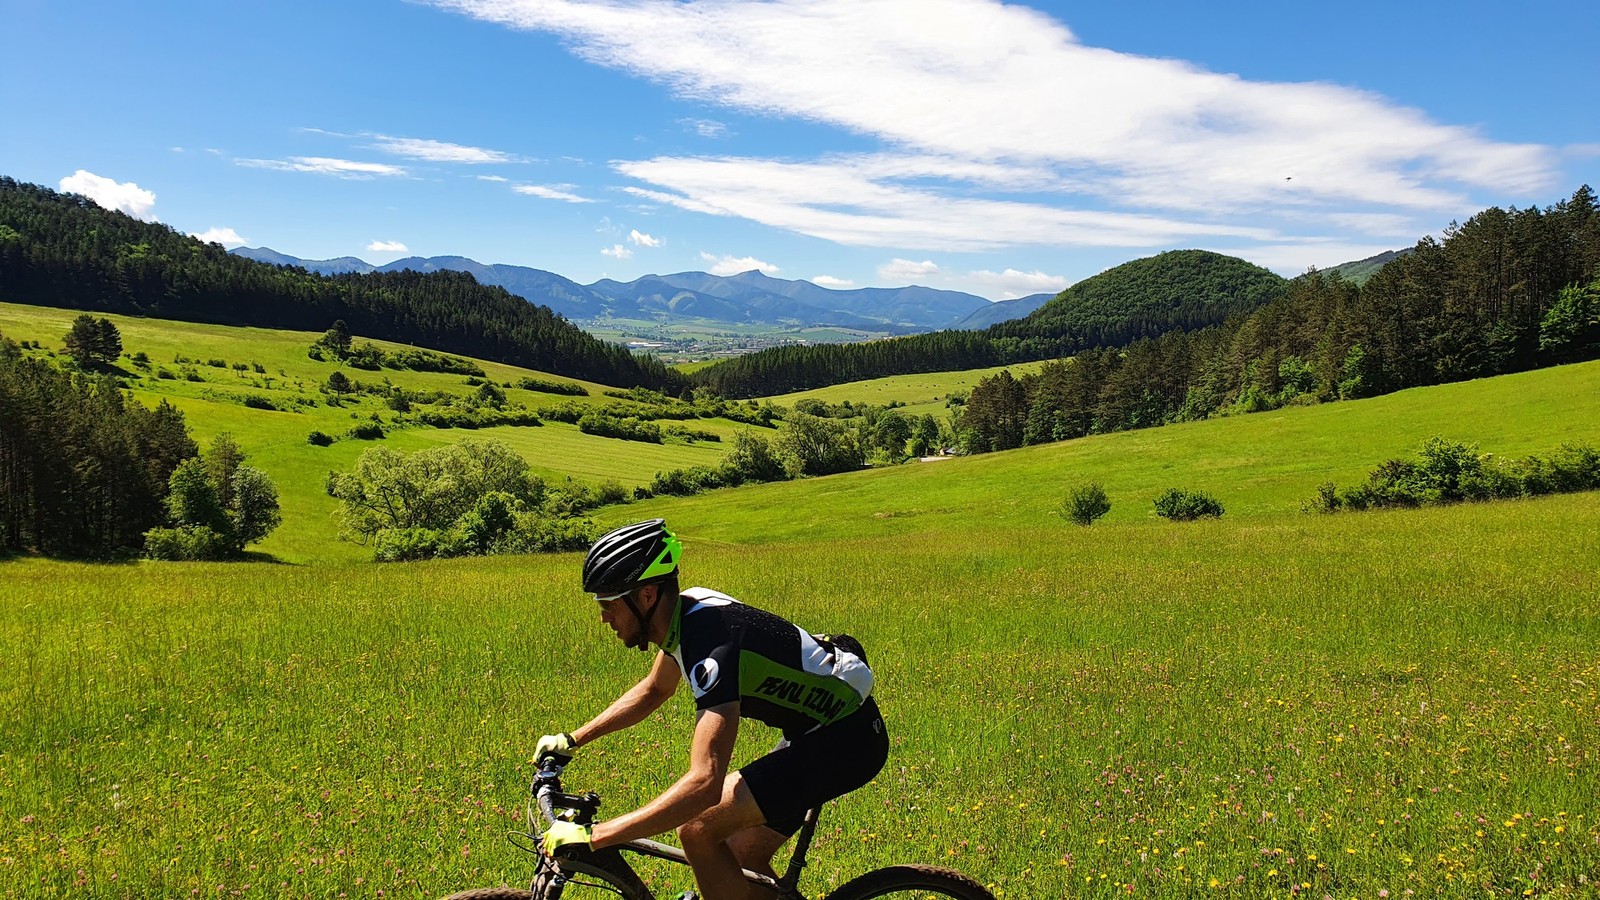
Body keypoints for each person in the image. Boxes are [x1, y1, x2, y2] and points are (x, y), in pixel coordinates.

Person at [537, 518, 887, 900]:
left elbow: (704, 784)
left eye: (608, 604)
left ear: (647, 596)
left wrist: (596, 836)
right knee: (737, 862)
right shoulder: (687, 615)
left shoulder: (712, 653)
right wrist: (572, 739)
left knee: (698, 828)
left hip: (844, 743)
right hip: (820, 733)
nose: (604, 617)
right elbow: (655, 690)